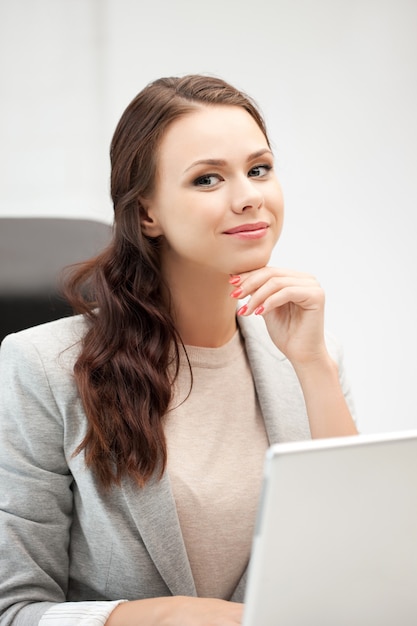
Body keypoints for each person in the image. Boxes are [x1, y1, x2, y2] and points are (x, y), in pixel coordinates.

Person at [0, 74, 357, 626]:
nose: (249, 198)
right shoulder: (43, 367)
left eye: (259, 169)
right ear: (147, 214)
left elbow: (357, 566)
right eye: (208, 179)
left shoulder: (310, 355)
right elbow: (15, 609)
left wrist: (314, 367)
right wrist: (168, 618)